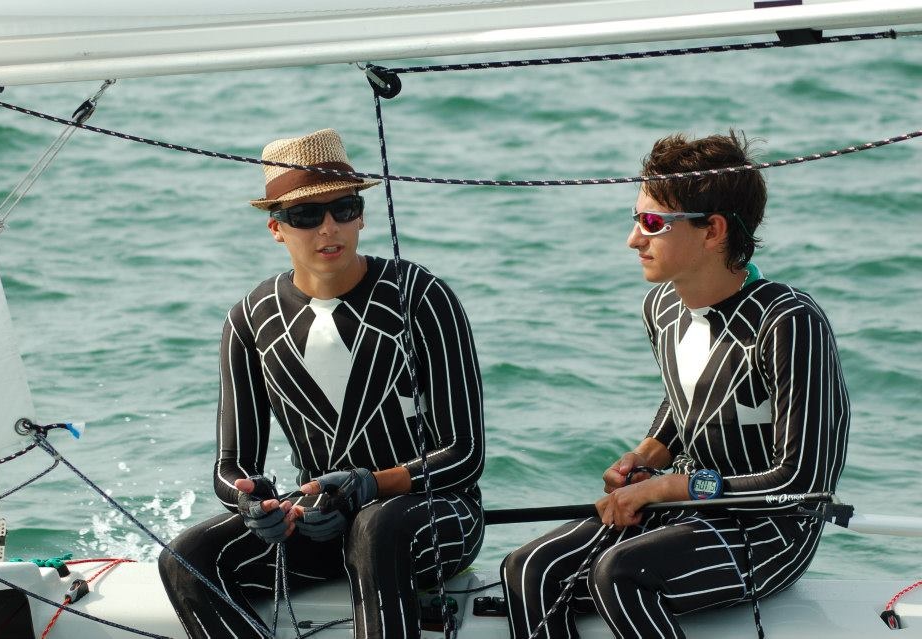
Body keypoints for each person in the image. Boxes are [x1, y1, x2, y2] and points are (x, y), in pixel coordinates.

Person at [501, 131, 850, 638]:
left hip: (772, 528)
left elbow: (802, 482)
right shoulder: (661, 307)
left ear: (713, 231)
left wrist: (668, 486)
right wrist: (643, 459)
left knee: (621, 575)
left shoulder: (789, 321)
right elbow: (688, 400)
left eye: (652, 224)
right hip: (685, 506)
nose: (633, 240)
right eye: (635, 219)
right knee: (528, 570)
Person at [158, 128, 485, 639]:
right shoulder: (250, 319)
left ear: (362, 216)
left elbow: (466, 455)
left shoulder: (422, 297)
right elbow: (231, 466)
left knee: (374, 527)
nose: (329, 228)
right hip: (319, 522)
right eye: (307, 215)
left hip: (436, 517)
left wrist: (368, 485)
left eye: (345, 209)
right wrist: (254, 505)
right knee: (187, 558)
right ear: (276, 228)